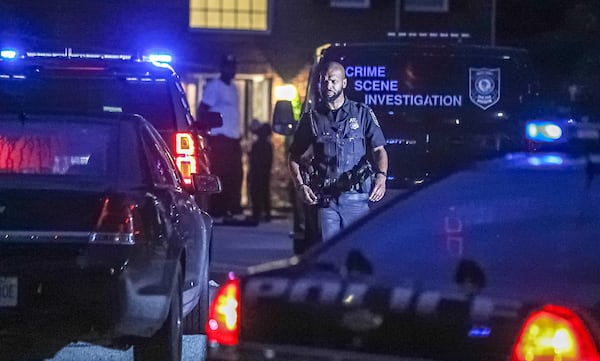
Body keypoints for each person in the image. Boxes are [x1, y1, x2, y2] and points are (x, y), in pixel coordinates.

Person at [288, 61, 388, 243]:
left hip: (357, 198)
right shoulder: (311, 119)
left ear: (344, 83)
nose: (328, 86)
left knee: (358, 252)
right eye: (324, 81)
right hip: (326, 201)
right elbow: (294, 156)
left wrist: (381, 176)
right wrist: (300, 186)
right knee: (329, 253)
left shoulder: (362, 113)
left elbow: (379, 149)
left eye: (333, 81)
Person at [198, 54, 243, 222]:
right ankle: (217, 211)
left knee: (235, 175)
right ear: (222, 68)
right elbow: (203, 109)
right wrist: (205, 131)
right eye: (228, 66)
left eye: (233, 66)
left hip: (233, 137)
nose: (232, 70)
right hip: (220, 137)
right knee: (221, 174)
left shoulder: (234, 87)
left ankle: (231, 209)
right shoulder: (214, 86)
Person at [248, 122, 273, 223]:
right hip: (265, 173)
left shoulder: (257, 145)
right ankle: (266, 213)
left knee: (256, 192)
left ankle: (257, 213)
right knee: (265, 192)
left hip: (256, 173)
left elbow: (253, 160)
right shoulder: (268, 146)